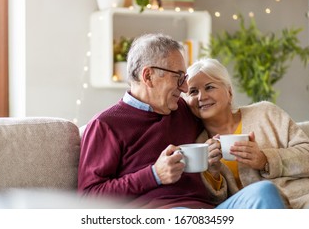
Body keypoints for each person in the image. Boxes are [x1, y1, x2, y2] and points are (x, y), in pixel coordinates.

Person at [78, 33, 286, 209]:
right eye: (178, 77)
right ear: (148, 76)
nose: (186, 88)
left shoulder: (185, 110)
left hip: (213, 213)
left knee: (264, 192)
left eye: (184, 78)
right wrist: (153, 175)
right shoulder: (106, 125)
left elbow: (221, 113)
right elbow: (89, 198)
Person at [184, 58, 309, 209]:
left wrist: (265, 159)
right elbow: (218, 205)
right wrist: (213, 172)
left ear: (229, 92)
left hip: (308, 198)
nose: (201, 97)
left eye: (209, 87)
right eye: (193, 91)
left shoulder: (265, 112)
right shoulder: (199, 146)